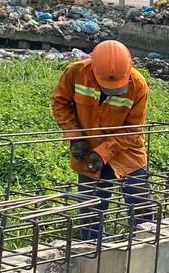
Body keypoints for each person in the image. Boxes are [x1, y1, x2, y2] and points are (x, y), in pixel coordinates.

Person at [51, 40, 152, 240]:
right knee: (91, 216)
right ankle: (93, 255)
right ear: (93, 68)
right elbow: (60, 102)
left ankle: (146, 252)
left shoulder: (138, 85)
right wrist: (74, 135)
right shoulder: (76, 73)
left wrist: (105, 151)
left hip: (126, 152)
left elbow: (132, 130)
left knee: (141, 210)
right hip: (88, 151)